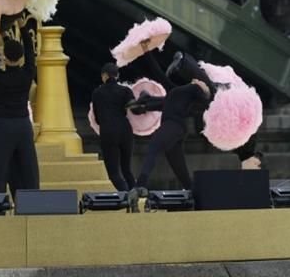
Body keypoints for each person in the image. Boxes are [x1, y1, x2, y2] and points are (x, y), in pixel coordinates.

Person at [126, 53, 215, 211]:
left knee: (153, 146)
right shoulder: (173, 91)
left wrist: (204, 88)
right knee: (179, 168)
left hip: (174, 125)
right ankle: (197, 198)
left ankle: (140, 185)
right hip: (174, 129)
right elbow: (158, 74)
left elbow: (206, 98)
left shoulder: (192, 89)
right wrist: (146, 52)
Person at [0, 33, 40, 196]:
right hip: (23, 125)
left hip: (3, 125)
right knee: (29, 167)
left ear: (5, 57)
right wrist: (23, 28)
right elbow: (30, 53)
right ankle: (34, 202)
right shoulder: (27, 74)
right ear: (21, 57)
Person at [90, 62, 136, 191]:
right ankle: (136, 194)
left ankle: (126, 194)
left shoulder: (97, 93)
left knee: (113, 172)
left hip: (108, 131)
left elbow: (97, 117)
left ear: (104, 76)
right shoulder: (126, 91)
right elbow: (135, 108)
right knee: (127, 169)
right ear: (117, 75)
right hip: (125, 130)